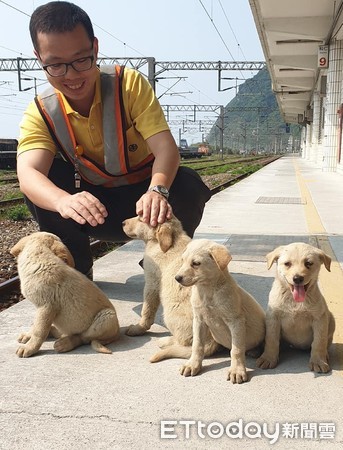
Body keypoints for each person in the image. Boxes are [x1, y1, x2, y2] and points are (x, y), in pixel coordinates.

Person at [17, 1, 211, 278]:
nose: (71, 75)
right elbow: (28, 173)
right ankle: (78, 274)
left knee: (188, 183)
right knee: (45, 185)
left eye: (81, 60)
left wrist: (157, 190)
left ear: (95, 48)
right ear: (39, 59)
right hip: (92, 209)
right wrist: (63, 201)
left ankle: (160, 265)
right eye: (56, 65)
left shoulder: (128, 85)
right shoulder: (42, 110)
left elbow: (166, 149)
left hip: (147, 206)